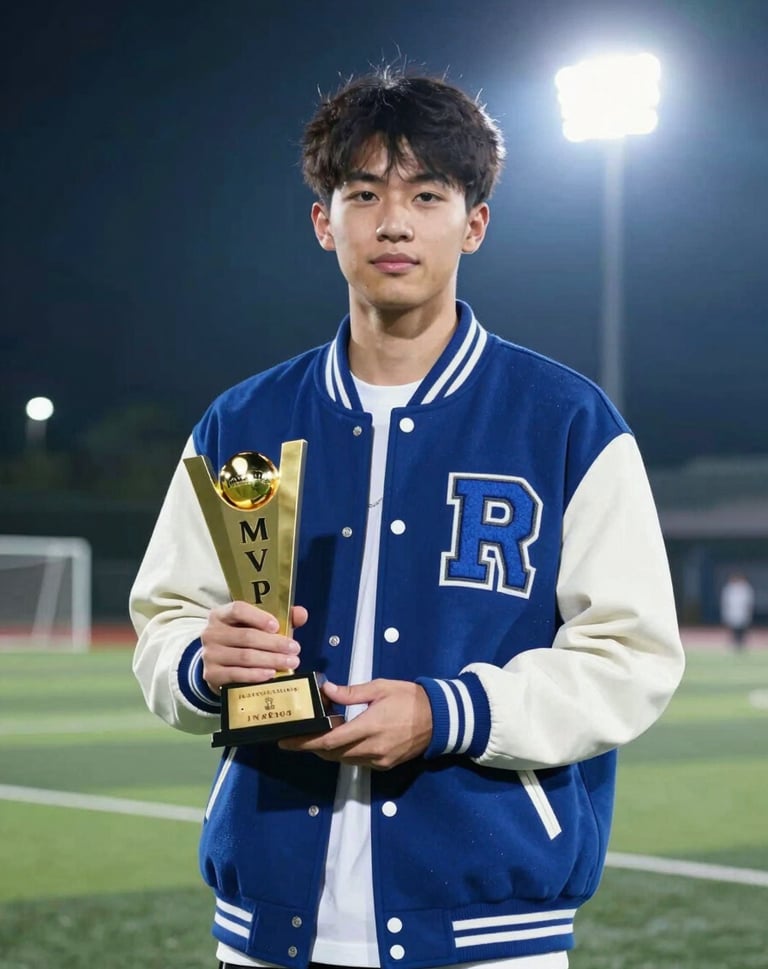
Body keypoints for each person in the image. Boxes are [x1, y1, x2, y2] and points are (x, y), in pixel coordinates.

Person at [130, 68, 685, 969]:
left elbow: (632, 658)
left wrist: (447, 712)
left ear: (474, 222)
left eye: (426, 194)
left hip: (488, 934)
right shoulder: (244, 424)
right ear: (324, 222)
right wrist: (202, 661)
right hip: (269, 925)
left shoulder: (567, 421)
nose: (393, 221)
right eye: (363, 194)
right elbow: (164, 624)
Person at [720, 572, 755, 650]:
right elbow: (726, 602)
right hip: (732, 613)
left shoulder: (746, 589)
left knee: (742, 630)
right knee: (733, 630)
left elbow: (749, 602)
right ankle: (734, 644)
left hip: (743, 613)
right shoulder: (729, 589)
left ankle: (742, 644)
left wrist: (748, 612)